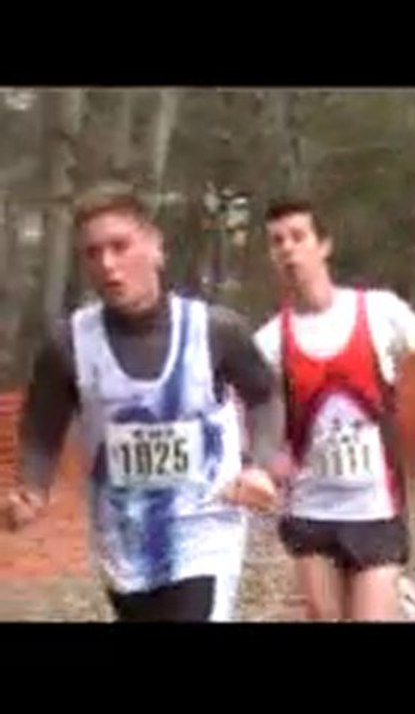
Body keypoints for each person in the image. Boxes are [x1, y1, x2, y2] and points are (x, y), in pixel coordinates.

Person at [1, 182, 287, 623]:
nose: (108, 264)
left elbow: (265, 396)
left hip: (205, 527)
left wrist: (260, 465)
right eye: (93, 253)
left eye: (120, 246)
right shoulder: (68, 344)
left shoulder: (214, 330)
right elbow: (42, 429)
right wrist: (31, 488)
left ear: (155, 248)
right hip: (124, 542)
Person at [254, 198, 415, 622]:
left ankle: (398, 602)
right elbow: (245, 402)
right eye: (277, 242)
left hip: (374, 505)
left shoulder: (378, 311)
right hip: (309, 505)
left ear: (323, 245)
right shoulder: (271, 339)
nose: (288, 249)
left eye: (298, 237)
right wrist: (264, 455)